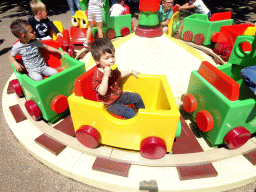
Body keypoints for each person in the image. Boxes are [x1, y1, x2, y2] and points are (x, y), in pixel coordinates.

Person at [90, 38, 145, 119]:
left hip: (118, 96)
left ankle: (143, 116)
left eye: (113, 56)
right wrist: (106, 75)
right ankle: (137, 126)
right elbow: (102, 92)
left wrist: (130, 71)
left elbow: (119, 75)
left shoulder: (112, 68)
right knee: (130, 112)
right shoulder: (97, 75)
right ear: (97, 60)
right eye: (107, 58)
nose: (112, 60)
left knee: (137, 97)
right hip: (109, 104)